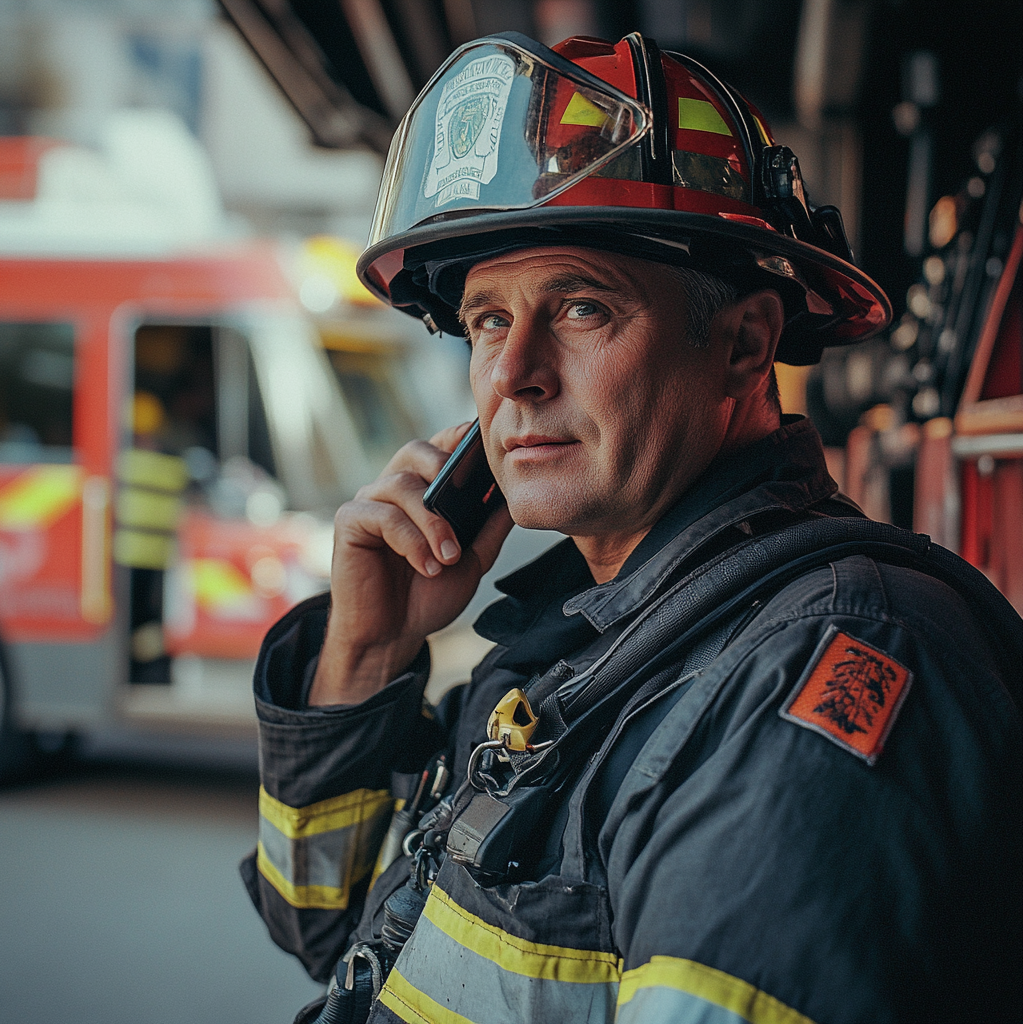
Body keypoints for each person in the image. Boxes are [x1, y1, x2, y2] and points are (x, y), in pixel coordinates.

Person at [241, 31, 1022, 1024]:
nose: (514, 373)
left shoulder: (825, 662)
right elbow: (337, 935)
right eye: (487, 319)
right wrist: (364, 652)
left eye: (577, 308)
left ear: (744, 347)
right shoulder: (586, 637)